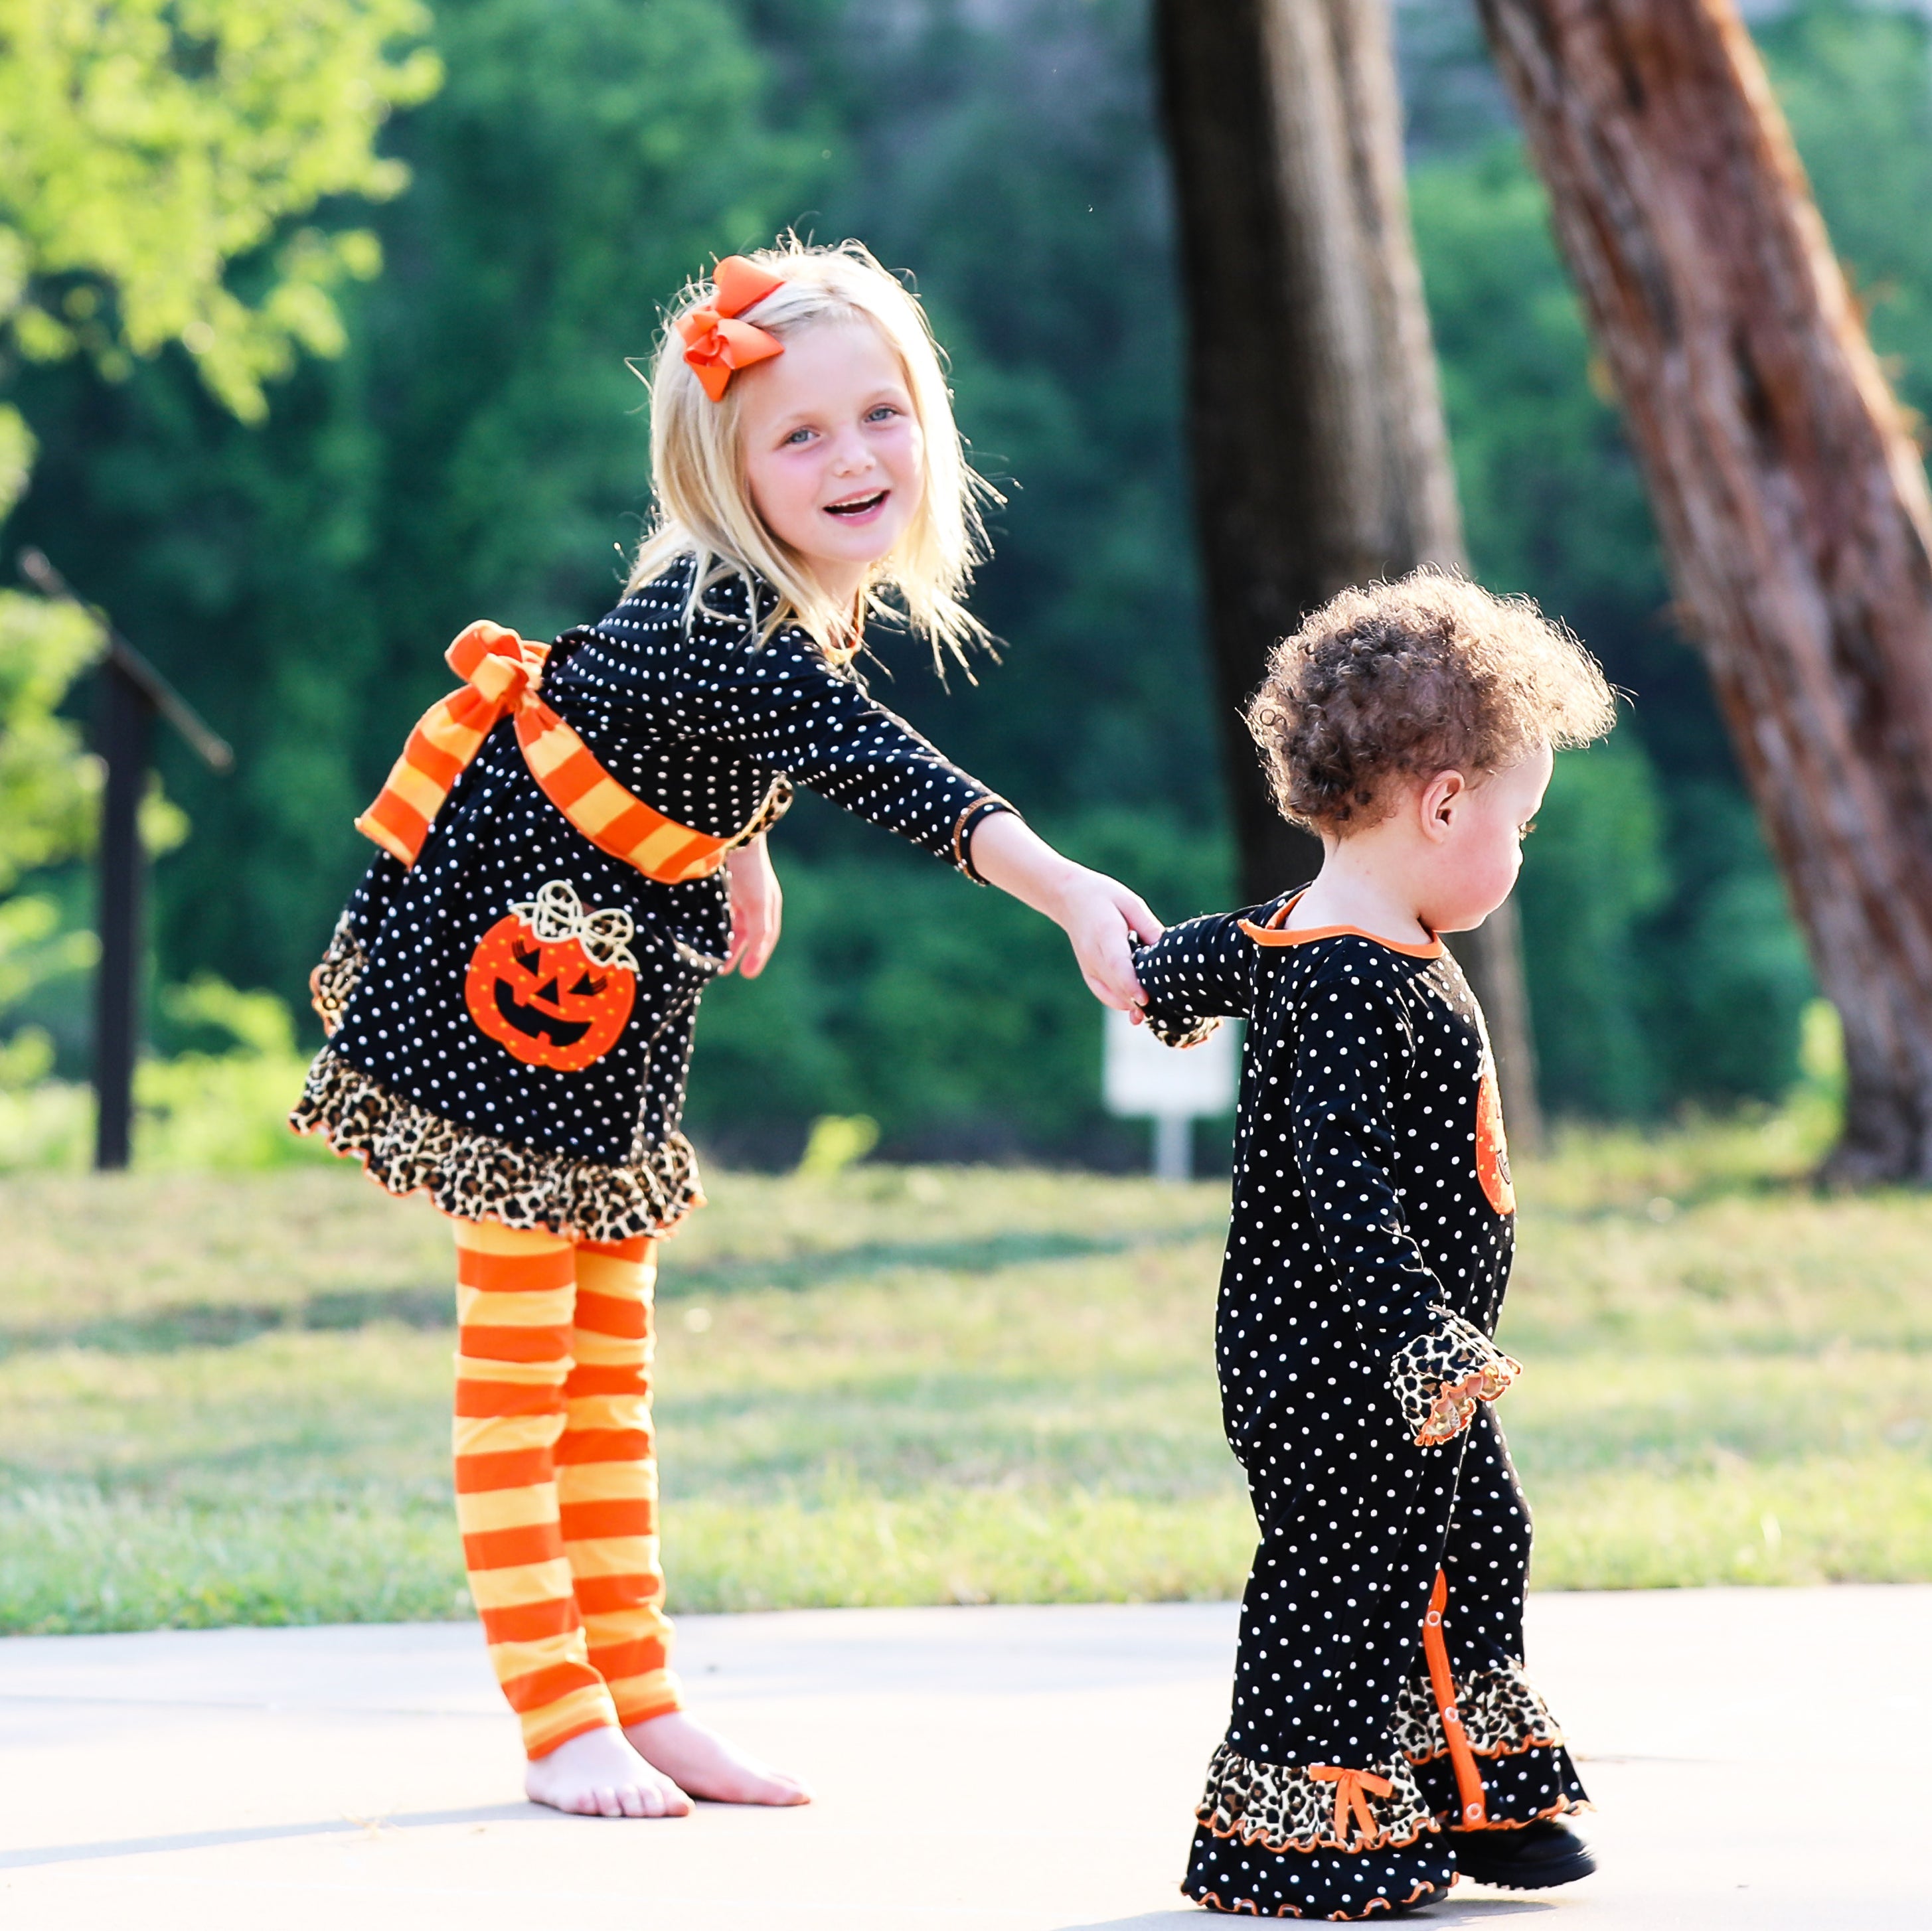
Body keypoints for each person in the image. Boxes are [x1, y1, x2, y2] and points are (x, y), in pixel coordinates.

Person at [291, 240, 1159, 1820]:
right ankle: (558, 1716)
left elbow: (680, 715)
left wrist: (731, 839)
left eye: (881, 415)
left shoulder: (746, 614)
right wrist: (1067, 886)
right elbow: (880, 764)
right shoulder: (735, 617)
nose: (852, 459)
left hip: (616, 964)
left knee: (608, 1360)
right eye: (800, 435)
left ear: (930, 421)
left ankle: (641, 1689)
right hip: (509, 949)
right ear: (726, 464)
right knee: (523, 1363)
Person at [1130, 573, 1615, 1918]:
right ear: (1444, 803)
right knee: (1344, 1580)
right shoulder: (1349, 978)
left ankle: (1475, 1792)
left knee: (1475, 1541)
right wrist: (1422, 1334)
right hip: (1345, 1362)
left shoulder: (1328, 933)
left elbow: (1204, 960)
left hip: (1408, 1368)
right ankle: (1302, 1831)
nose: (1520, 853)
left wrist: (1153, 973)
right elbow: (1340, 1192)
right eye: (1520, 822)